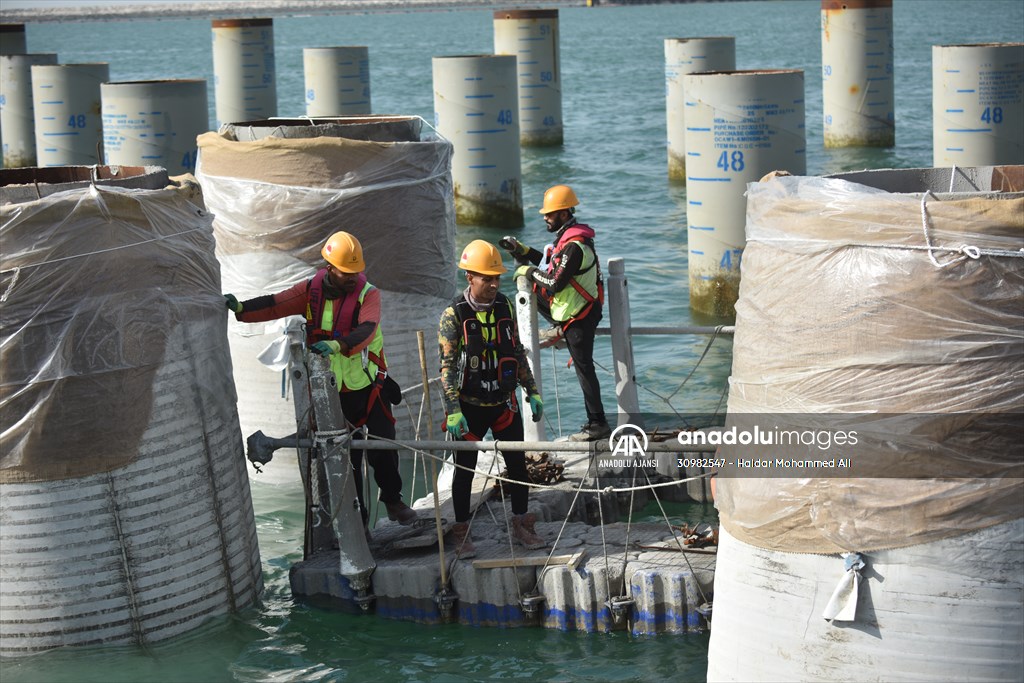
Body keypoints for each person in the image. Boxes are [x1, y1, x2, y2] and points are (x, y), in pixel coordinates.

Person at [223, 230, 417, 530]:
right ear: (330, 268)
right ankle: (357, 520)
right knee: (343, 457)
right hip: (332, 393)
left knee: (383, 446)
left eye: (356, 271)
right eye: (346, 271)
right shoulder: (311, 292)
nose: (353, 277)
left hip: (368, 386)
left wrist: (338, 345)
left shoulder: (369, 295)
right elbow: (276, 303)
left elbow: (366, 329)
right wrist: (242, 309)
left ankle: (393, 501)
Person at [437, 239, 546, 558]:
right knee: (464, 470)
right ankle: (461, 530)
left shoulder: (505, 306)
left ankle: (522, 524)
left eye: (497, 278)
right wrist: (453, 411)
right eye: (488, 278)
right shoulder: (452, 315)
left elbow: (516, 353)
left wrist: (532, 391)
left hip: (503, 404)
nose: (495, 284)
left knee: (517, 465)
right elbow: (446, 367)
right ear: (470, 277)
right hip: (469, 410)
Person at [499, 184, 611, 442]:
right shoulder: (567, 240)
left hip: (580, 317)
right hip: (571, 312)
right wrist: (523, 252)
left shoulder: (575, 247)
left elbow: (554, 282)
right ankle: (560, 328)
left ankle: (598, 423)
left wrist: (526, 272)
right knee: (533, 295)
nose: (545, 218)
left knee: (584, 369)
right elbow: (549, 265)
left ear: (563, 213)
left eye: (549, 214)